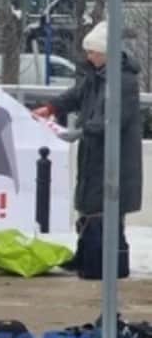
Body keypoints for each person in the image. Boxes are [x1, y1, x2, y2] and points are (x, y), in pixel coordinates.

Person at [32, 21, 144, 268]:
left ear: (106, 52)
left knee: (106, 206)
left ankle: (107, 259)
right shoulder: (96, 76)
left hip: (115, 156)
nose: (88, 56)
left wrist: (82, 131)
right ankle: (88, 253)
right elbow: (76, 95)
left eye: (92, 52)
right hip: (94, 150)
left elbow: (114, 120)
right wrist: (51, 108)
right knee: (89, 202)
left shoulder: (123, 81)